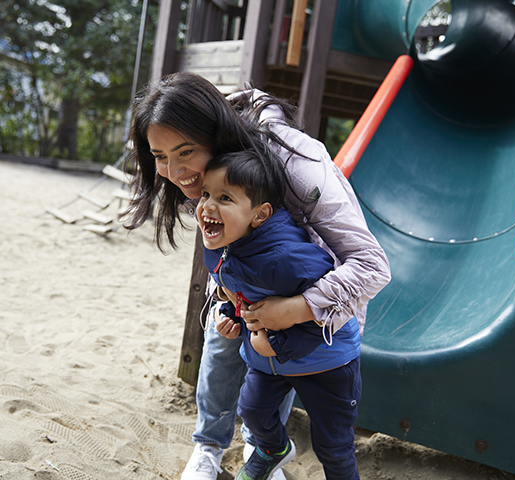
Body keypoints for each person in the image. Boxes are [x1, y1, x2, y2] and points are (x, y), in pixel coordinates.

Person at [123, 72, 391, 480]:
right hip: (247, 272)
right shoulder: (203, 173)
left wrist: (297, 308)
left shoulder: (296, 164)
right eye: (160, 156)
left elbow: (372, 265)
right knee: (222, 337)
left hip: (313, 288)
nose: (175, 171)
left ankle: (260, 444)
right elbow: (224, 243)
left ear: (215, 135)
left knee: (281, 359)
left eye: (185, 152)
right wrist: (228, 299)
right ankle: (209, 447)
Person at [197, 148, 362, 479]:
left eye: (224, 198)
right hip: (266, 359)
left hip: (326, 359)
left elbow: (330, 307)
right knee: (253, 411)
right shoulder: (219, 244)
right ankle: (273, 449)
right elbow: (238, 290)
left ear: (259, 215)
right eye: (205, 194)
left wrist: (281, 346)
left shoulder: (287, 259)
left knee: (333, 445)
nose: (207, 206)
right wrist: (228, 312)